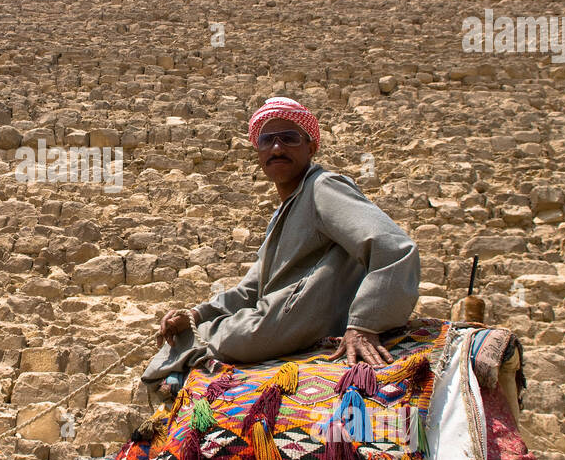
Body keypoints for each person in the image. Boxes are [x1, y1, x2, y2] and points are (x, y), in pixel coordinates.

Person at [142, 96, 421, 396]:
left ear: (311, 147)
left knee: (226, 335)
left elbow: (394, 247)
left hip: (300, 316)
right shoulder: (287, 209)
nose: (277, 148)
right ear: (258, 152)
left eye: (289, 139)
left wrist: (365, 323)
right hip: (281, 312)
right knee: (208, 330)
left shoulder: (322, 187)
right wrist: (196, 315)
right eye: (267, 141)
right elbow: (251, 289)